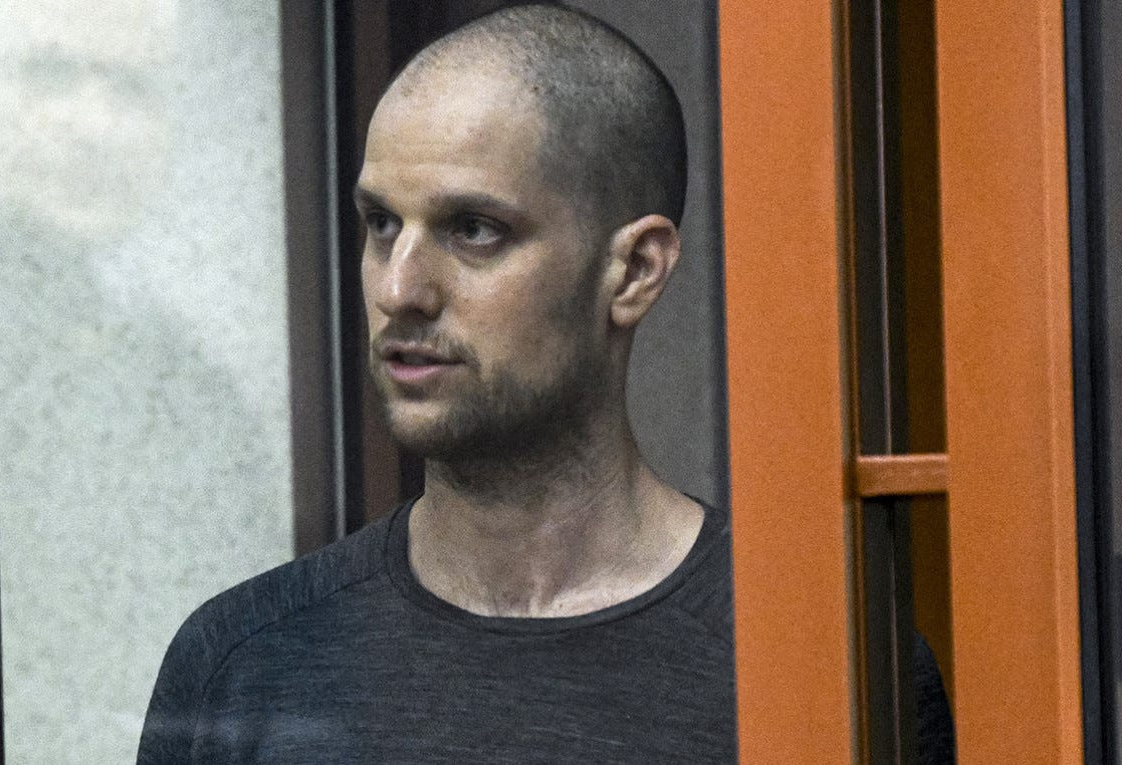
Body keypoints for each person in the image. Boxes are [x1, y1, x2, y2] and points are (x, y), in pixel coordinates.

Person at [138, 6, 952, 763]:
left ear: (633, 270)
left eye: (473, 230)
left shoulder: (814, 658)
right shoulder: (246, 664)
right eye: (381, 223)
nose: (399, 288)